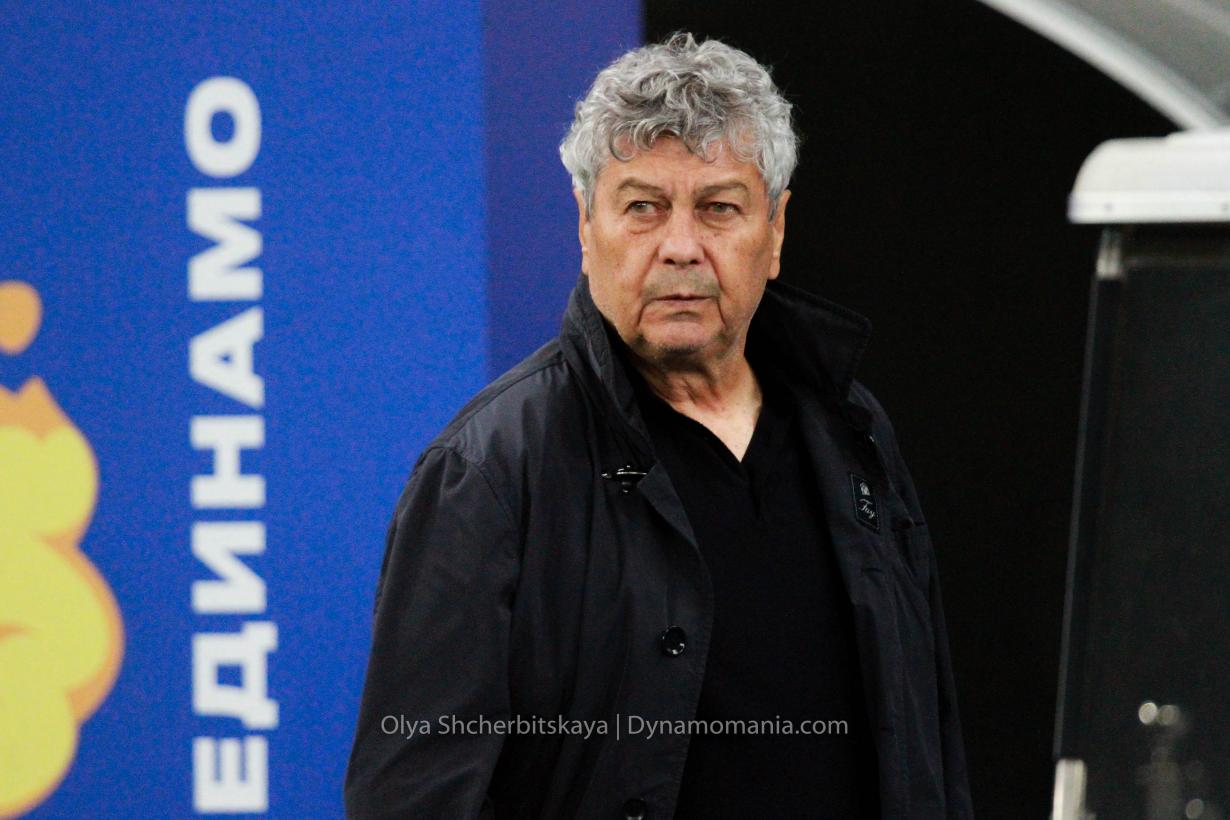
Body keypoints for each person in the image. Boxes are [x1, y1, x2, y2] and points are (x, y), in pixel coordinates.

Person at [344, 32, 973, 819]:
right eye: (642, 207)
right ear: (585, 226)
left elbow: (928, 740)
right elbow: (411, 798)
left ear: (775, 231)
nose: (681, 248)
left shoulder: (853, 429)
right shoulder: (491, 469)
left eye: (718, 208)